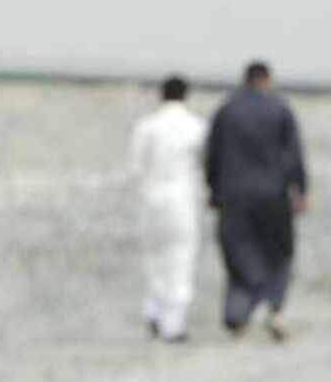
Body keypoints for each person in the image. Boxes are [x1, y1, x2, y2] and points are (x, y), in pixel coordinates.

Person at [205, 60, 308, 341]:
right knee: (279, 253)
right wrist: (301, 191)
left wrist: (213, 191)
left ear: (245, 79)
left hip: (234, 195)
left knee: (238, 253)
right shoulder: (280, 108)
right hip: (274, 194)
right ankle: (275, 309)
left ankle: (238, 315)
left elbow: (213, 155)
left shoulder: (227, 110)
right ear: (267, 80)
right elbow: (293, 155)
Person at [129, 75, 208, 343]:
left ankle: (154, 308)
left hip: (151, 197)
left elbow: (136, 166)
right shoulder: (196, 127)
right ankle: (173, 322)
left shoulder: (147, 126)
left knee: (154, 256)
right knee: (180, 258)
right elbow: (205, 164)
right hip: (181, 198)